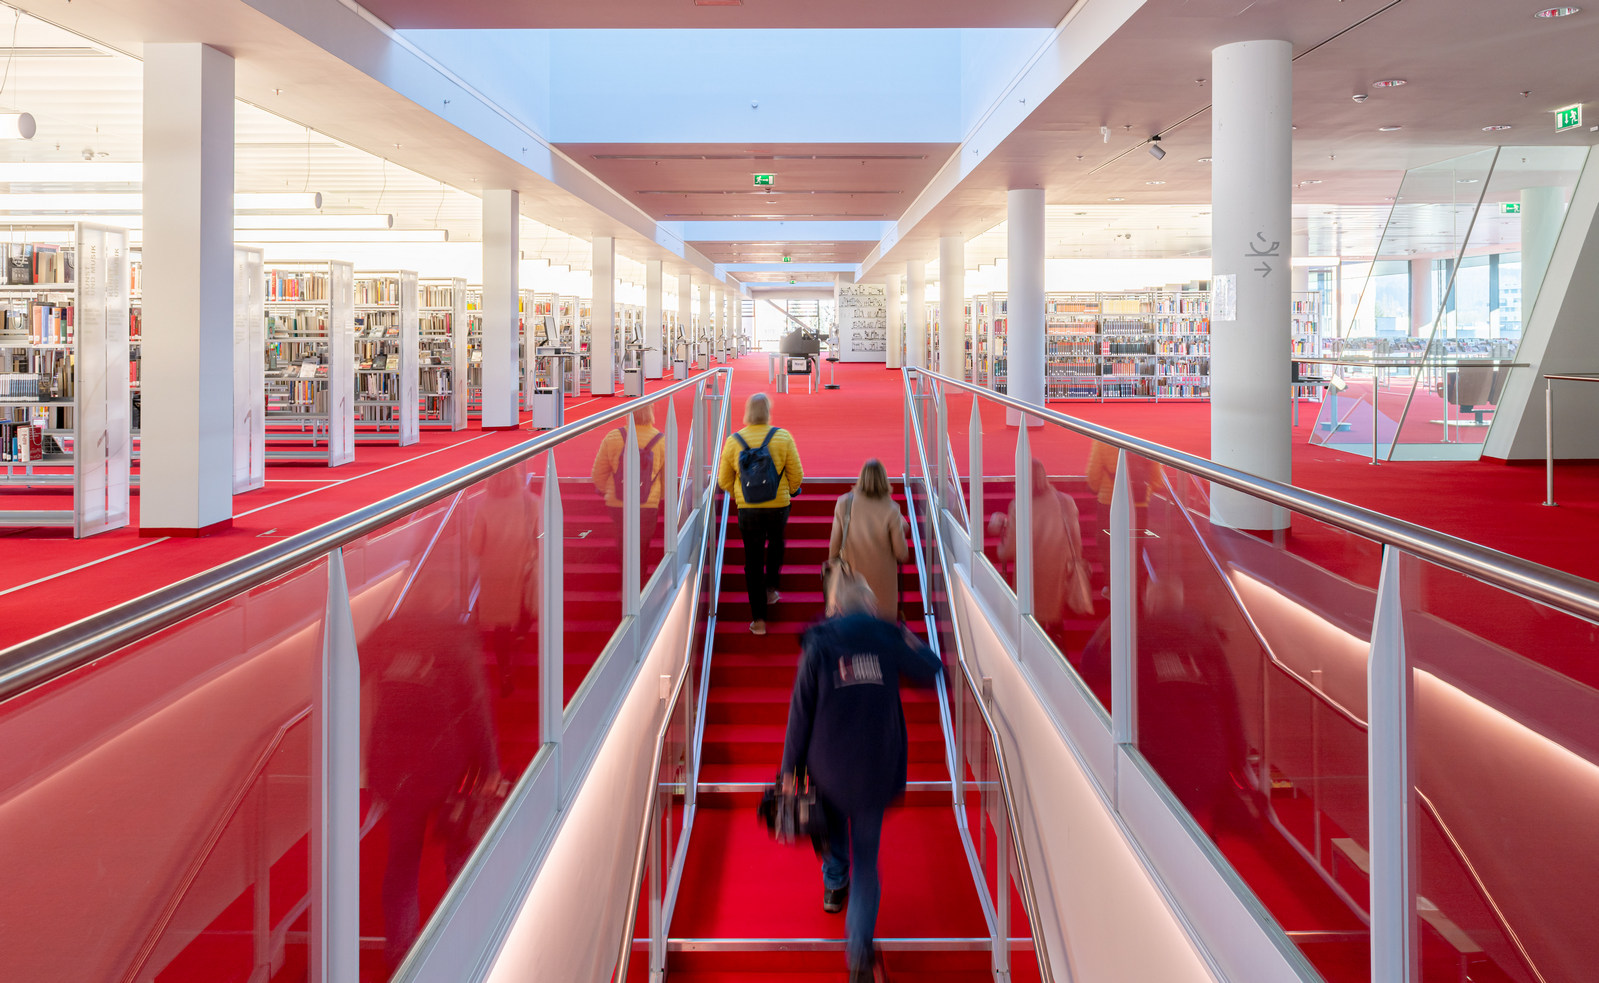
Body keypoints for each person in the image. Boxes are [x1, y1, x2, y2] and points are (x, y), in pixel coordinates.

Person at [779, 572, 941, 983]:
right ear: (870, 606)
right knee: (868, 860)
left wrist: (788, 771)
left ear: (834, 608)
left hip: (827, 767)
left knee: (833, 833)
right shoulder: (887, 635)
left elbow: (800, 713)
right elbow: (930, 669)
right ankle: (858, 956)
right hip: (874, 769)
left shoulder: (818, 643)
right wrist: (899, 630)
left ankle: (834, 885)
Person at [365, 590, 500, 970]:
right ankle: (461, 940)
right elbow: (476, 704)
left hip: (398, 769)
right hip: (447, 766)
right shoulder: (456, 637)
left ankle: (400, 954)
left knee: (401, 861)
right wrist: (489, 766)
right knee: (458, 855)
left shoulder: (389, 633)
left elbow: (349, 672)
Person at [718, 393, 804, 634]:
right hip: (778, 506)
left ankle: (758, 621)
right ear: (768, 411)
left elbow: (723, 480)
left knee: (752, 562)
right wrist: (792, 491)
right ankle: (772, 589)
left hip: (748, 510)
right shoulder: (782, 436)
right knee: (776, 543)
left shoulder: (734, 441)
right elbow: (796, 473)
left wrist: (741, 497)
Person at [992, 459, 1093, 646]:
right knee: (1056, 629)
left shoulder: (1019, 505)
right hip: (1058, 576)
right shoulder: (1065, 501)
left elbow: (1009, 550)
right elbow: (1076, 543)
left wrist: (999, 543)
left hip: (1031, 580)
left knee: (1029, 633)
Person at [468, 469, 541, 697]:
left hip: (495, 572)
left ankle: (505, 671)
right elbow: (542, 535)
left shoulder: (484, 506)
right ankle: (519, 635)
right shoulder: (531, 502)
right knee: (528, 606)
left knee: (500, 626)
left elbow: (475, 546)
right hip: (523, 568)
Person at [827, 459, 909, 620]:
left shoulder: (844, 503)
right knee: (881, 628)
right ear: (884, 480)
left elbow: (834, 546)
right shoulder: (892, 509)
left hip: (852, 577)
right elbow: (901, 553)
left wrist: (833, 562)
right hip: (883, 581)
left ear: (861, 478)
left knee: (853, 625)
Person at [590, 404, 667, 566]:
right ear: (651, 413)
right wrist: (658, 497)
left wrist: (607, 491)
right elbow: (666, 478)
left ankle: (626, 578)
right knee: (642, 545)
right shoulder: (661, 440)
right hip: (647, 503)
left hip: (618, 502)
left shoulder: (613, 437)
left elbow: (598, 473)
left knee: (623, 541)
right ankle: (640, 583)